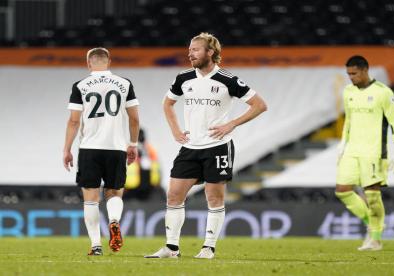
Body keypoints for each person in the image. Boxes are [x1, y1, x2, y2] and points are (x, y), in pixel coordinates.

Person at [144, 32, 267, 259]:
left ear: (210, 52)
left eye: (195, 50)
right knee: (173, 195)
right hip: (191, 147)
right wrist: (175, 130)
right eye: (190, 50)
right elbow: (168, 104)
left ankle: (208, 248)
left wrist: (232, 123)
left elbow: (259, 105)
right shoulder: (184, 78)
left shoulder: (228, 80)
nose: (190, 54)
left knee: (215, 198)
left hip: (218, 146)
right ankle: (171, 248)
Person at [63, 47, 140, 256]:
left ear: (88, 63)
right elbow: (134, 118)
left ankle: (96, 245)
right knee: (114, 192)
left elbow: (73, 121)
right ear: (109, 62)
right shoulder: (125, 84)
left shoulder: (80, 85)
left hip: (89, 148)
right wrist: (132, 144)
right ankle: (114, 221)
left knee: (90, 198)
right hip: (116, 148)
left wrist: (67, 149)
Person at [335, 55, 394, 251]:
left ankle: (375, 239)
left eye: (354, 73)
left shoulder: (383, 92)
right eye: (348, 74)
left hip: (373, 151)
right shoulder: (348, 91)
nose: (351, 77)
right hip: (352, 150)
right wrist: (342, 145)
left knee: (373, 196)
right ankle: (372, 223)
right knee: (342, 190)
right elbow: (348, 121)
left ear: (365, 70)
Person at [124, 128, 162, 200]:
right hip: (130, 187)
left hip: (149, 187)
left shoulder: (150, 149)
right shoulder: (127, 149)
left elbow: (157, 168)